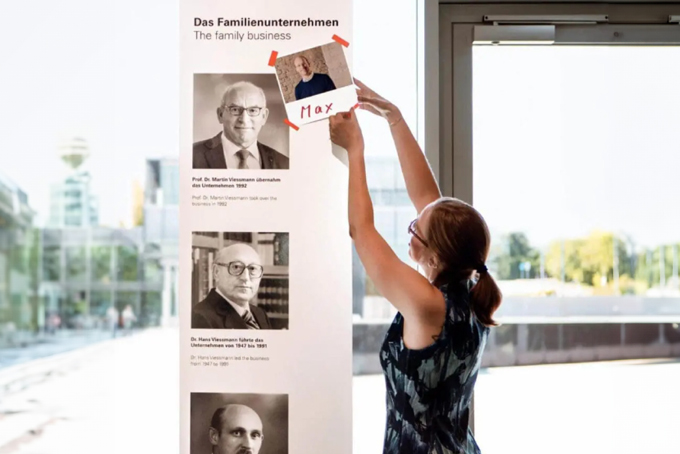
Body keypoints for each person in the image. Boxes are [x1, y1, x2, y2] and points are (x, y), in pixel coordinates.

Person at [329, 79, 503, 454]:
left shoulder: (428, 305)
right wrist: (394, 117)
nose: (411, 229)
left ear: (435, 256)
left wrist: (355, 150)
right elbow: (430, 201)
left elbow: (361, 230)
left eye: (414, 230)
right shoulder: (469, 284)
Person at [193, 81, 289, 169]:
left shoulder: (284, 163)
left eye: (253, 110)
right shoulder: (192, 156)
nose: (244, 120)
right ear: (220, 115)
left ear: (264, 117)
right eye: (235, 109)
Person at [192, 243, 272, 330]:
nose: (245, 277)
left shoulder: (260, 314)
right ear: (216, 272)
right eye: (236, 267)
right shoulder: (201, 318)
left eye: (252, 268)